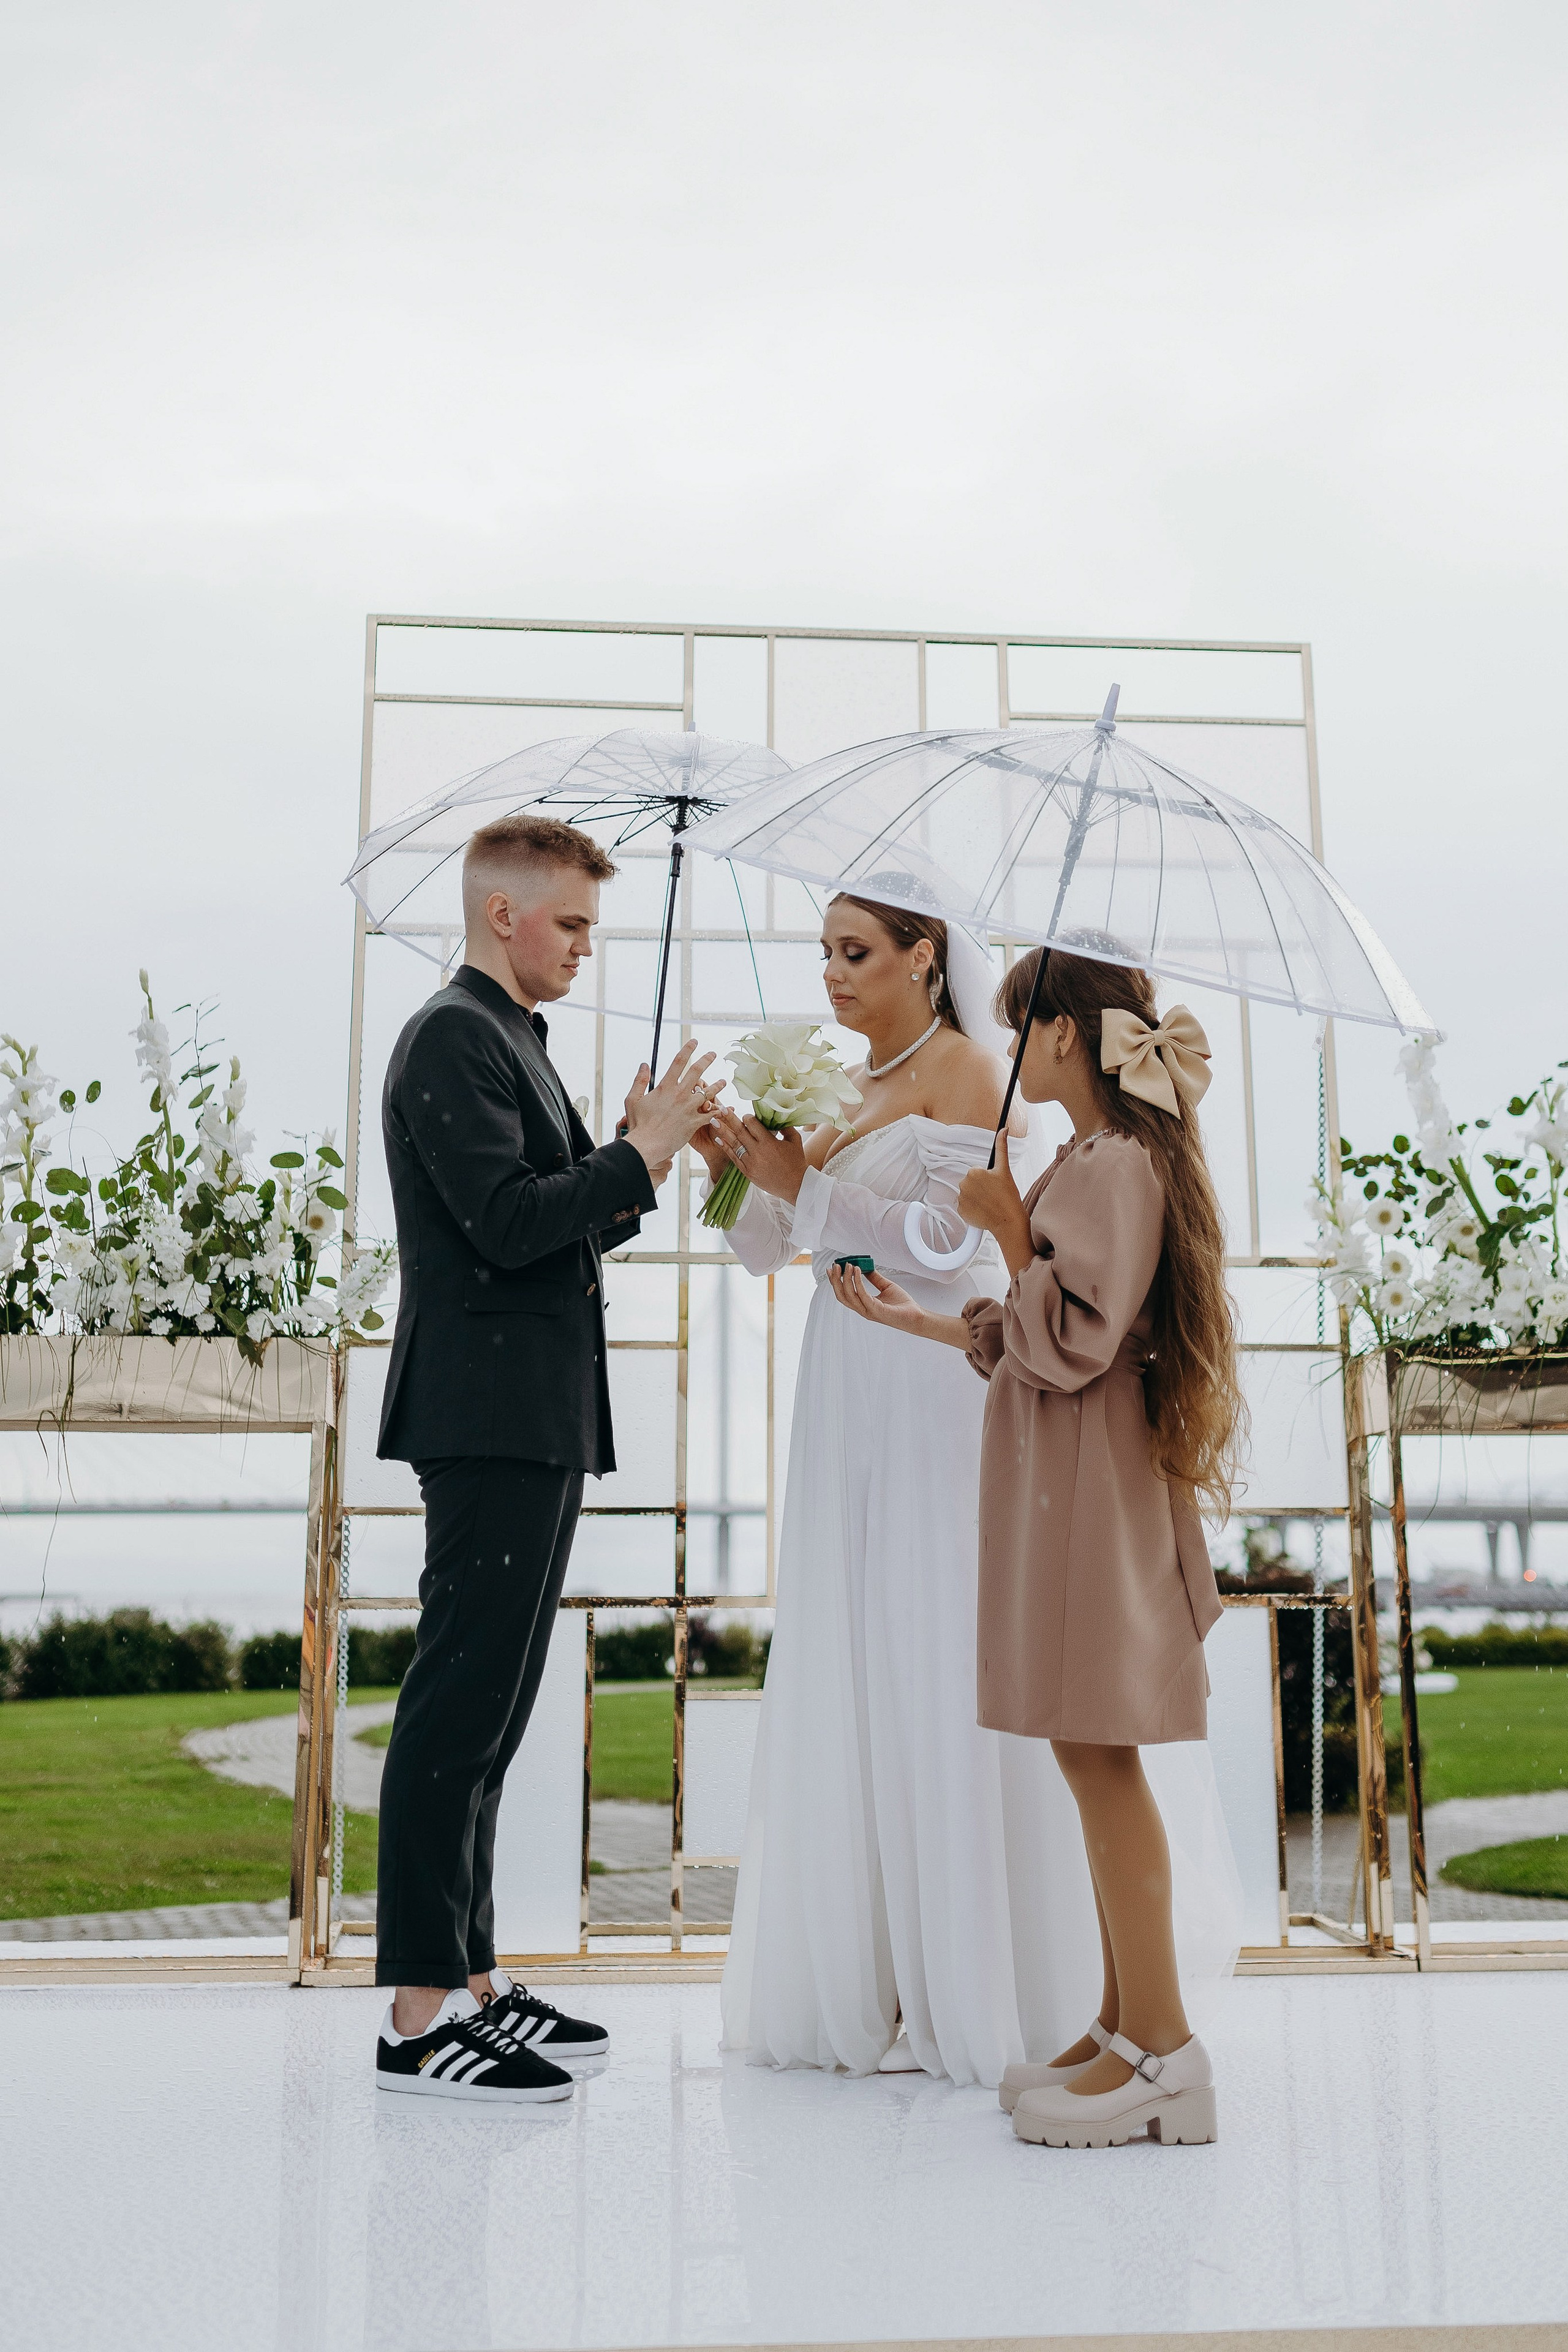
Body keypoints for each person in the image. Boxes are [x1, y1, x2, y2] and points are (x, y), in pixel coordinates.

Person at [832, 944, 1245, 2147]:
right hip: (1069, 1483)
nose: (1012, 1055)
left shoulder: (1110, 1166)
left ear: (1066, 1036)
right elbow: (1033, 1327)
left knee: (1100, 1755)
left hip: (1090, 1490)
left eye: (1023, 1033)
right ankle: (1123, 2027)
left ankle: (1166, 2052)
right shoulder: (1092, 1158)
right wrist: (919, 1316)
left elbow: (1071, 1337)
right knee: (1085, 1751)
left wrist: (1008, 1230)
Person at [698, 891, 1100, 2087]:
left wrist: (808, 1188)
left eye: (854, 950)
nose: (829, 972)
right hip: (843, 1392)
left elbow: (957, 1246)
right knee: (854, 1646)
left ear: (923, 958)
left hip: (928, 1380)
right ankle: (862, 1977)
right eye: (822, 951)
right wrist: (735, 1176)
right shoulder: (827, 1087)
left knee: (930, 1638)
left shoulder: (969, 1070)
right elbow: (770, 1253)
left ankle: (965, 1981)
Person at [372, 812, 719, 2103]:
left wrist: (629, 1156)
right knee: (457, 1705)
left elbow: (560, 1222)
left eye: (590, 926)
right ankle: (415, 2015)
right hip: (485, 1415)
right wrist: (634, 1155)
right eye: (569, 923)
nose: (583, 948)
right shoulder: (451, 1036)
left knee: (495, 1711)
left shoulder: (512, 1038)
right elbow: (511, 1227)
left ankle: (465, 1977)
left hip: (535, 1414)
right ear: (501, 913)